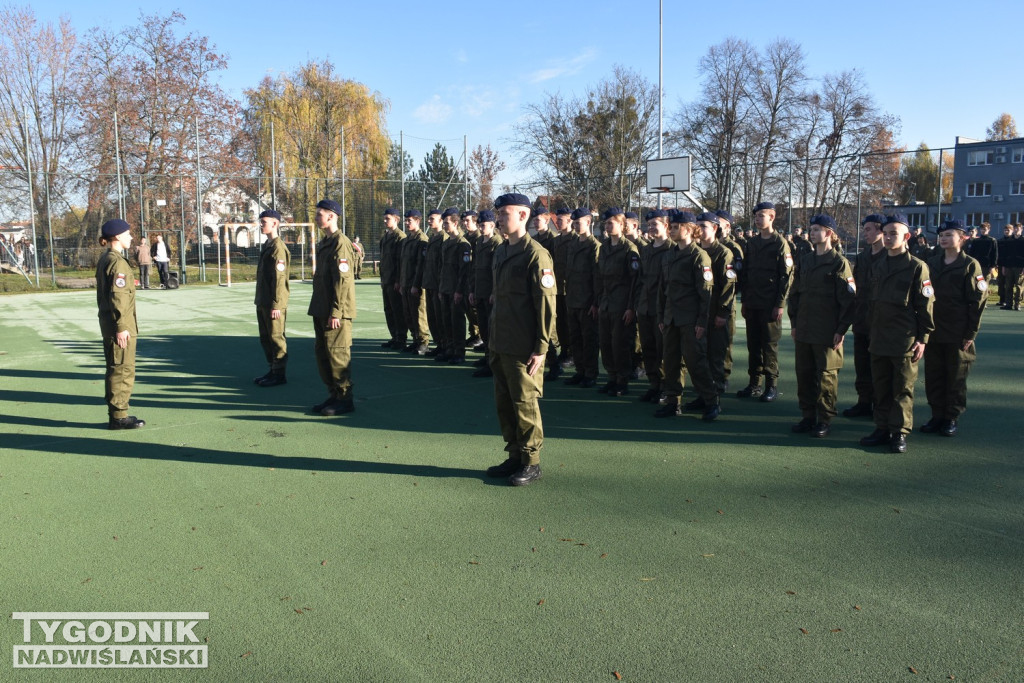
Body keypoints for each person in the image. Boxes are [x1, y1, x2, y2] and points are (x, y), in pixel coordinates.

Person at [484, 193, 556, 486]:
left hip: (523, 346)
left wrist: (541, 347)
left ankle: (531, 462)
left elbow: (545, 304)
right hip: (500, 341)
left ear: (523, 216)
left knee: (525, 403)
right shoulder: (501, 251)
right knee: (504, 402)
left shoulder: (535, 254)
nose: (500, 218)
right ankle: (514, 454)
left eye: (505, 213)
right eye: (499, 213)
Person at [859, 214, 934, 453]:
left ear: (907, 237)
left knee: (902, 388)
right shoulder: (878, 265)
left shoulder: (916, 267)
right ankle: (882, 428)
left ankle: (899, 432)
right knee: (880, 387)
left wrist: (923, 339)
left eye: (895, 234)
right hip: (879, 336)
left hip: (904, 338)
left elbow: (925, 306)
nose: (890, 237)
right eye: (887, 233)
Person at [787, 215, 856, 438]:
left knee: (826, 377)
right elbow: (795, 293)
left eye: (817, 229)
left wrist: (841, 329)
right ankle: (808, 416)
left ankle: (824, 419)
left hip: (827, 330)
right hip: (805, 327)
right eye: (811, 229)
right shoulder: (806, 260)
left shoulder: (839, 263)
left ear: (829, 233)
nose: (812, 233)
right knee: (804, 374)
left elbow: (848, 300)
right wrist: (795, 323)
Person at [922, 219, 986, 437]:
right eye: (941, 235)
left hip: (958, 330)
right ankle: (937, 415)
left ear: (962, 238)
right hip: (934, 328)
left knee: (956, 376)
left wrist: (971, 333)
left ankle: (951, 418)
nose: (943, 238)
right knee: (934, 375)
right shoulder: (931, 263)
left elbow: (978, 301)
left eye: (949, 235)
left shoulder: (970, 264)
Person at [654, 211, 720, 421]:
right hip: (671, 318)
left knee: (696, 362)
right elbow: (662, 290)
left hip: (690, 319)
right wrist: (661, 317)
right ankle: (673, 402)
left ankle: (711, 401)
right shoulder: (669, 255)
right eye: (671, 227)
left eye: (676, 227)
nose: (672, 230)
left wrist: (702, 321)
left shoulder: (699, 256)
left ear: (690, 229)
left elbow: (705, 293)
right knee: (671, 362)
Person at [737, 201, 793, 402]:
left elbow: (785, 276)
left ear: (772, 217)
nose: (758, 219)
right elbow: (746, 274)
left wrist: (780, 304)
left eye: (762, 215)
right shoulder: (751, 243)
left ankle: (772, 385)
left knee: (769, 345)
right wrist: (744, 300)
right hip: (752, 302)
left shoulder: (780, 243)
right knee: (753, 344)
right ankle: (754, 384)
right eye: (756, 216)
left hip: (769, 303)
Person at [308, 199, 357, 416]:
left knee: (337, 355)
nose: (317, 217)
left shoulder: (341, 243)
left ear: (332, 216)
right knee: (323, 354)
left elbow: (343, 280)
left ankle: (345, 399)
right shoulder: (325, 242)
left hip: (336, 311)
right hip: (321, 308)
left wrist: (336, 311)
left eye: (320, 214)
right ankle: (334, 395)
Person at [96, 219, 144, 429]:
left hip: (111, 324)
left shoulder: (107, 258)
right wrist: (122, 327)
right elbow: (118, 297)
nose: (131, 237)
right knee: (122, 370)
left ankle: (117, 413)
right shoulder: (117, 262)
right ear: (116, 237)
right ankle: (119, 416)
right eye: (127, 234)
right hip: (119, 326)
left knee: (117, 368)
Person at [842, 214, 887, 418]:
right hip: (862, 319)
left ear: (880, 231)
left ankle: (880, 405)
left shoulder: (890, 256)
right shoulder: (863, 256)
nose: (865, 233)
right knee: (862, 365)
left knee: (880, 368)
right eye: (865, 229)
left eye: (869, 229)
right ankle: (864, 401)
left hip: (881, 322)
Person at [595, 207, 639, 396]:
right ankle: (611, 377)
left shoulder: (629, 249)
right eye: (606, 223)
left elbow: (635, 282)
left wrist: (630, 307)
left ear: (622, 225)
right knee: (605, 343)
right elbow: (600, 277)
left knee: (620, 344)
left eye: (611, 223)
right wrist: (598, 302)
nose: (607, 226)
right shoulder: (604, 247)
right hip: (606, 303)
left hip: (621, 305)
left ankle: (622, 381)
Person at [696, 212, 737, 400]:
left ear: (714, 229)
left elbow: (729, 286)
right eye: (698, 225)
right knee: (699, 354)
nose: (699, 229)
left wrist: (722, 312)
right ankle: (703, 393)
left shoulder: (723, 253)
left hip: (715, 311)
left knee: (716, 354)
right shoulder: (695, 251)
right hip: (699, 312)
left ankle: (716, 394)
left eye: (704, 226)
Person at [634, 210, 672, 402]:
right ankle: (654, 384)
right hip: (645, 307)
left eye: (654, 224)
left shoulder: (672, 250)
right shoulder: (646, 250)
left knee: (663, 350)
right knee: (648, 348)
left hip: (661, 310)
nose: (650, 228)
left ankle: (666, 387)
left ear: (666, 226)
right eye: (648, 225)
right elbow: (641, 280)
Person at [563, 208, 600, 388]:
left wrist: (595, 302)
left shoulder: (594, 246)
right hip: (572, 298)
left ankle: (591, 373)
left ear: (589, 223)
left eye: (579, 222)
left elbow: (596, 277)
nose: (576, 226)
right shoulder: (573, 244)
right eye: (574, 223)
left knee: (589, 340)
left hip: (587, 301)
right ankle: (580, 371)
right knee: (575, 339)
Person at [253, 209, 290, 387]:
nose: (261, 225)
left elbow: (279, 280)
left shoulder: (278, 248)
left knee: (276, 337)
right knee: (265, 337)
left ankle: (279, 373)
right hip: (263, 300)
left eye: (264, 222)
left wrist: (277, 305)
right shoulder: (268, 246)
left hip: (273, 303)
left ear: (274, 223)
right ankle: (272, 369)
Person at [470, 210, 502, 378]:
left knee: (491, 329)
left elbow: (497, 271)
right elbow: (475, 269)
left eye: (483, 225)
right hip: (480, 291)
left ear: (492, 225)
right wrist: (472, 290)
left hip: (490, 292)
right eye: (479, 225)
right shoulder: (479, 242)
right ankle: (487, 357)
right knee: (483, 327)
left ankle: (493, 362)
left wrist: (494, 291)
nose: (481, 228)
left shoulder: (496, 242)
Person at [438, 207, 471, 364]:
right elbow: (443, 268)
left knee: (457, 321)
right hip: (445, 288)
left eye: (447, 223)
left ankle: (459, 352)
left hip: (456, 290)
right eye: (443, 223)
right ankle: (449, 349)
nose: (444, 226)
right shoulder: (446, 243)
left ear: (456, 223)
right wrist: (441, 288)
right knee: (446, 321)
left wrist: (459, 291)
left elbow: (463, 271)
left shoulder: (462, 244)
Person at [399, 209, 429, 354]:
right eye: (405, 220)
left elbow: (420, 265)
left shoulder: (422, 240)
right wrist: (401, 283)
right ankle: (415, 340)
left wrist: (415, 285)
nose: (406, 223)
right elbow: (403, 264)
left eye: (409, 220)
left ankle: (423, 342)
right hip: (405, 284)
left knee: (419, 314)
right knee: (408, 314)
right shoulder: (406, 240)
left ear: (417, 221)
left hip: (415, 285)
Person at [550, 207, 575, 378]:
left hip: (571, 288)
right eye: (557, 220)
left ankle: (572, 353)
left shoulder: (574, 240)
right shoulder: (557, 241)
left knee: (570, 323)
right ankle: (564, 350)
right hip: (557, 287)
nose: (558, 222)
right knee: (560, 323)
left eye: (561, 220)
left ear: (570, 221)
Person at [378, 208, 408, 349]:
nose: (385, 221)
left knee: (397, 310)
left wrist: (398, 280)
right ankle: (394, 336)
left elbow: (400, 262)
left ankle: (401, 338)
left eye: (387, 218)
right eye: (384, 218)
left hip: (394, 280)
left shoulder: (400, 237)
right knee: (388, 309)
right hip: (386, 280)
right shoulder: (385, 237)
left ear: (396, 219)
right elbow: (383, 260)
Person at [422, 209, 448, 355]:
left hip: (439, 285)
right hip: (430, 283)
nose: (429, 221)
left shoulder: (443, 238)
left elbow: (442, 264)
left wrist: (440, 285)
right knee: (432, 317)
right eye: (429, 219)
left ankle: (445, 345)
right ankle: (439, 344)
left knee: (441, 316)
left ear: (440, 221)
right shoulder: (432, 238)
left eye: (432, 219)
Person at [461, 210, 483, 349]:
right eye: (463, 221)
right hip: (465, 277)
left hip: (475, 278)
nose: (465, 223)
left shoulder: (478, 238)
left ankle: (480, 336)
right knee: (468, 309)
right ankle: (474, 334)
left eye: (467, 221)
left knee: (476, 310)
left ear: (475, 221)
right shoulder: (465, 237)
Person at [965, 222, 998, 303]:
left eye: (985, 229)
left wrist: (993, 266)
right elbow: (971, 254)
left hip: (987, 266)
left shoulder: (992, 240)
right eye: (982, 229)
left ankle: (984, 301)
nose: (983, 231)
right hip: (977, 266)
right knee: (976, 283)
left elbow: (995, 254)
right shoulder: (976, 241)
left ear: (988, 230)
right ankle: (977, 299)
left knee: (984, 283)